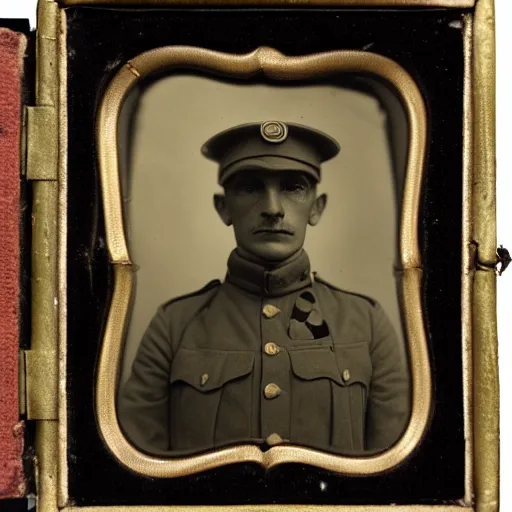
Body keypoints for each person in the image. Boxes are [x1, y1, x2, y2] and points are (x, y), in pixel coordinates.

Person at [117, 120, 410, 457]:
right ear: (223, 207)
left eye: (294, 187)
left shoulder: (366, 325)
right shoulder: (174, 326)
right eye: (250, 187)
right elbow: (137, 475)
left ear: (317, 207)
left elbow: (394, 476)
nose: (273, 208)